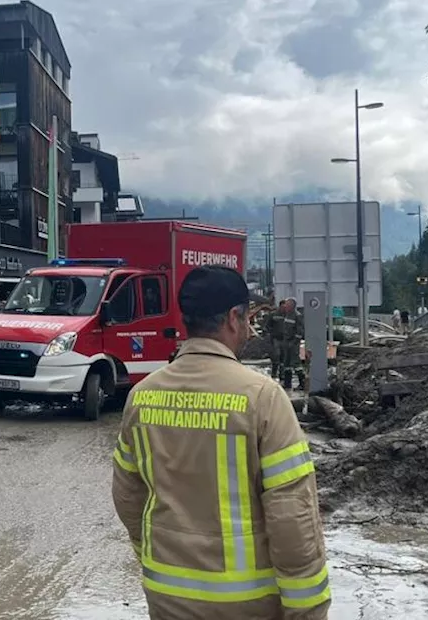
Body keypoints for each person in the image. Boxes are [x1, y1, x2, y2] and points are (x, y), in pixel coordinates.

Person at [111, 265, 331, 619]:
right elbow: (292, 516)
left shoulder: (141, 397)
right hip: (247, 603)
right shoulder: (262, 398)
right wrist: (308, 609)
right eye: (246, 320)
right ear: (233, 318)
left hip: (166, 595)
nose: (249, 330)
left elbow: (127, 496)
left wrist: (151, 554)